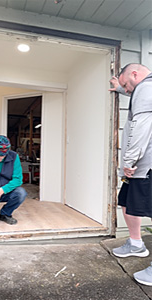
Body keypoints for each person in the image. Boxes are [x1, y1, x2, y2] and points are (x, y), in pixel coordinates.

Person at [109, 63, 152, 286]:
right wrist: (119, 88)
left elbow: (141, 126)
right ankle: (136, 244)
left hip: (145, 167)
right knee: (125, 201)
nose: (127, 91)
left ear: (135, 74)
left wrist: (129, 161)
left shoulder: (146, 88)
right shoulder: (143, 89)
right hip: (140, 168)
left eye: (126, 85)